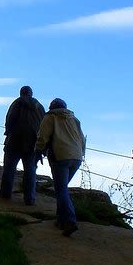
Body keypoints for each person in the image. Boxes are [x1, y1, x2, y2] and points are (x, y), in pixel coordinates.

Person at [35, 98, 86, 236]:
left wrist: (38, 151)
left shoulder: (50, 117)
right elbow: (82, 138)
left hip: (60, 156)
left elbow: (42, 137)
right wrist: (81, 154)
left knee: (61, 189)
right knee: (61, 188)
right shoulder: (74, 119)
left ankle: (69, 221)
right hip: (76, 157)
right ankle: (61, 220)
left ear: (52, 107)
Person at [0, 86, 46, 206]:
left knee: (9, 168)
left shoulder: (17, 102)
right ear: (31, 93)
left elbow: (10, 119)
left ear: (21, 93)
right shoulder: (39, 106)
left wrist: (8, 132)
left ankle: (5, 193)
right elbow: (44, 124)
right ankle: (30, 198)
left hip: (14, 140)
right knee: (30, 170)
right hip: (33, 142)